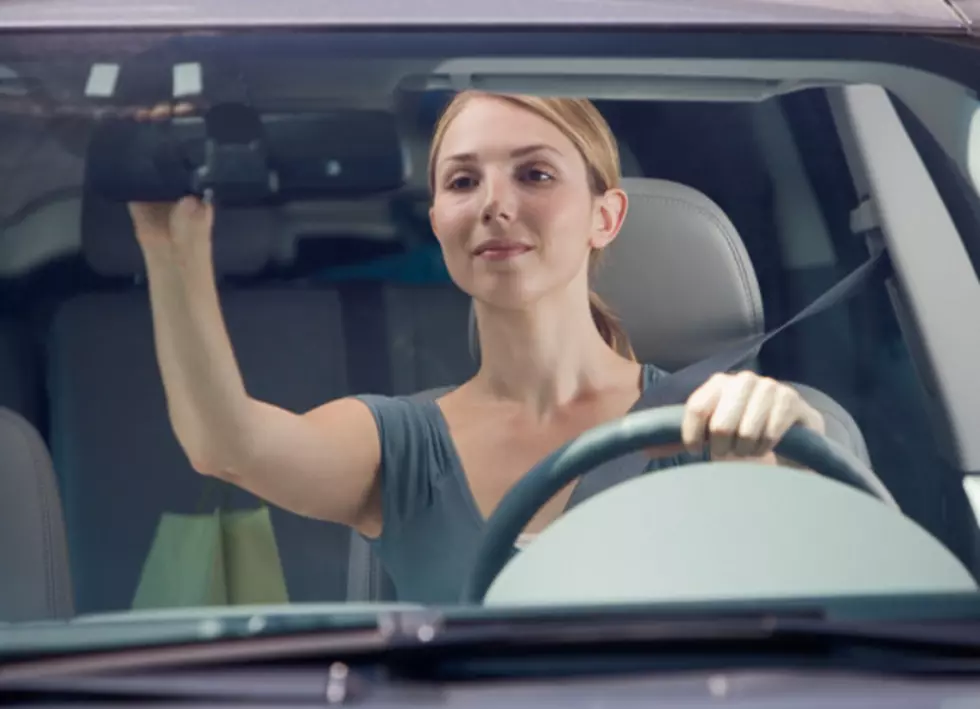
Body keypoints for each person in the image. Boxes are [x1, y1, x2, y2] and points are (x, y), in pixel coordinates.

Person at [128, 91, 825, 603]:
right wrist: (173, 250)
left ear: (604, 217)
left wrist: (786, 456)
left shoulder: (717, 424)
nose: (495, 203)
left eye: (535, 174)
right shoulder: (401, 446)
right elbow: (227, 444)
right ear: (438, 221)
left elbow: (837, 626)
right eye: (463, 181)